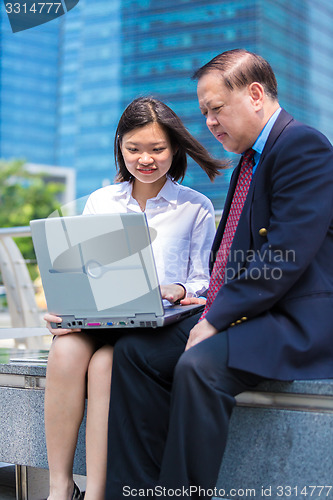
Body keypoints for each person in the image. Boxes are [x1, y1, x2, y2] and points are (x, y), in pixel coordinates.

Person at [104, 49, 333, 499]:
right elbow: (228, 258)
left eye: (215, 109)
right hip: (244, 311)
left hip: (292, 321)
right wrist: (199, 302)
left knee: (199, 366)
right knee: (134, 354)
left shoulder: (303, 146)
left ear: (254, 94)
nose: (209, 122)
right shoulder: (249, 162)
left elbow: (282, 256)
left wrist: (212, 318)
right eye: (204, 112)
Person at [43, 96, 226, 500]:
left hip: (154, 325)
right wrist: (63, 306)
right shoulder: (101, 201)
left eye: (157, 149)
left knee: (109, 364)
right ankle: (60, 487)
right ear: (119, 147)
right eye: (134, 149)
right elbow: (80, 269)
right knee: (64, 352)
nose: (146, 159)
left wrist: (177, 290)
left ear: (174, 149)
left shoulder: (194, 206)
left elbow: (202, 281)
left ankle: (97, 492)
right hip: (102, 316)